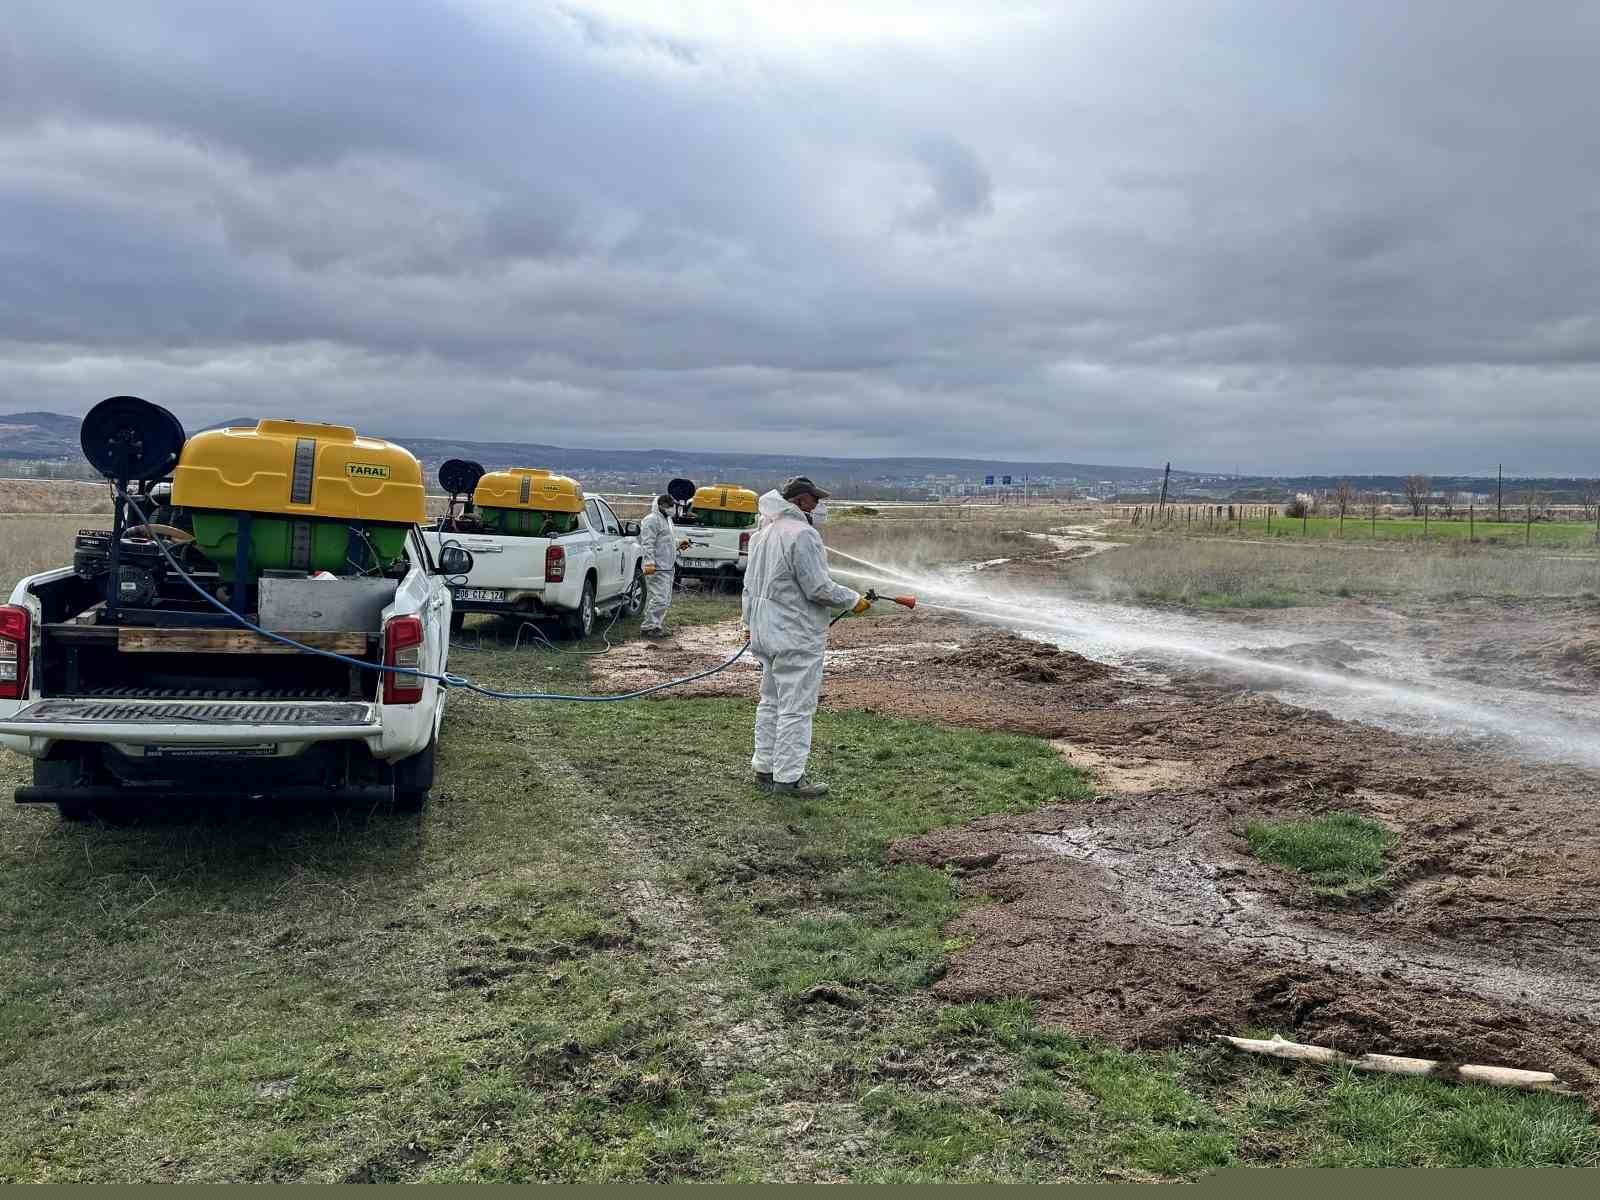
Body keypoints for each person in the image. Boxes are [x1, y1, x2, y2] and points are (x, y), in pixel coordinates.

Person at [742, 476, 869, 796]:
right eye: (815, 501)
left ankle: (764, 768)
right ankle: (789, 779)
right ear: (800, 501)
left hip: (766, 632)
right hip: (795, 634)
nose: (819, 507)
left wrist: (748, 622)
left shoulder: (762, 534)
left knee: (770, 701)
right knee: (796, 707)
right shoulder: (803, 535)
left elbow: (748, 587)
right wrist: (853, 600)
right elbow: (818, 587)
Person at [638, 492, 689, 637]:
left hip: (667, 567)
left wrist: (679, 544)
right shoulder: (651, 520)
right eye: (670, 506)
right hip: (656, 567)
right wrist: (649, 563)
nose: (672, 509)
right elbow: (647, 543)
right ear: (661, 505)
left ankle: (656, 626)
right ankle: (648, 627)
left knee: (665, 599)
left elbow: (666, 541)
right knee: (659, 598)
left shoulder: (667, 520)